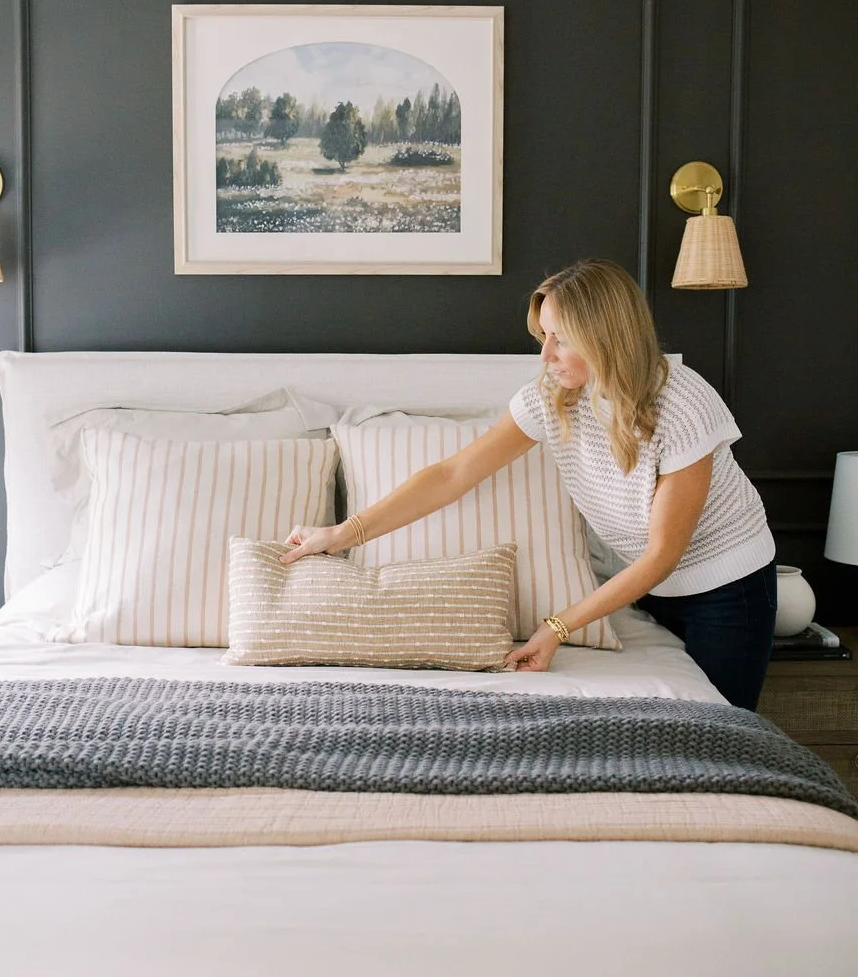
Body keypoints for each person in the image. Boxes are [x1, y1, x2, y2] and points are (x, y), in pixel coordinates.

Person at [282, 258, 777, 710]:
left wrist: (557, 626)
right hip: (642, 584)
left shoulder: (684, 405)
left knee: (722, 727)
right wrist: (343, 533)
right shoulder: (554, 398)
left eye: (559, 338)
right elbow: (452, 475)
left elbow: (662, 555)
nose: (545, 355)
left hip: (726, 586)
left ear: (604, 337)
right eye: (543, 336)